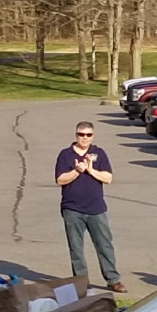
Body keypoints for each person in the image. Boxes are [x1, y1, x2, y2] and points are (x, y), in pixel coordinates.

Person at [54, 121, 126, 293]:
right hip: (72, 209)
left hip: (96, 208)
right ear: (76, 135)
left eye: (88, 135)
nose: (84, 138)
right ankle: (81, 281)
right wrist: (77, 171)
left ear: (93, 136)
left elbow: (108, 178)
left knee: (104, 245)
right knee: (76, 247)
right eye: (81, 134)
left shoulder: (98, 153)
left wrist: (90, 170)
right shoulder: (65, 155)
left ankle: (113, 279)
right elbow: (60, 179)